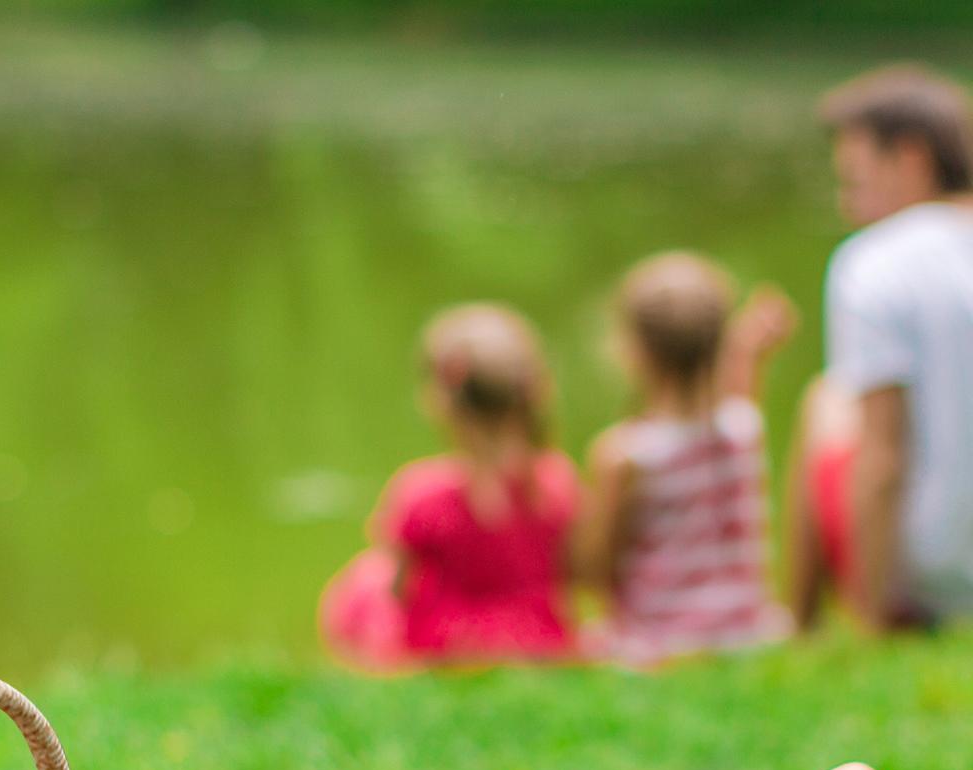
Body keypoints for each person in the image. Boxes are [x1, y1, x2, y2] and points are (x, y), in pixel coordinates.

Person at [791, 65, 973, 630]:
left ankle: (801, 622)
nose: (848, 205)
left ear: (911, 158)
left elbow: (882, 458)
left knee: (824, 400)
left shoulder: (874, 261)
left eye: (856, 181)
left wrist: (871, 621)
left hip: (936, 576)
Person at [319, 304, 579, 670]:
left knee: (365, 579)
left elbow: (399, 589)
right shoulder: (557, 481)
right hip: (539, 638)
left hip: (446, 644)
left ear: (440, 402)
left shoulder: (423, 492)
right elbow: (571, 574)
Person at [578, 252, 795, 666]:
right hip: (747, 635)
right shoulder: (745, 429)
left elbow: (593, 570)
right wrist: (749, 353)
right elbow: (735, 396)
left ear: (633, 351)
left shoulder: (624, 455)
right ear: (719, 345)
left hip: (660, 641)